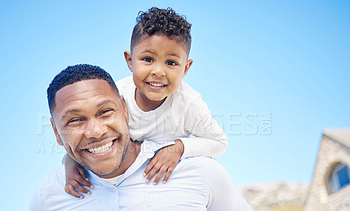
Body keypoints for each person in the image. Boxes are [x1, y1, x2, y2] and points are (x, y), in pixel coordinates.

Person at [15, 64, 282, 211]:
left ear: (124, 108)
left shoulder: (195, 171)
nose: (95, 131)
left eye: (105, 112)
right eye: (74, 121)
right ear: (55, 130)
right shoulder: (52, 192)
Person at [64, 7, 228, 198]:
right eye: (148, 59)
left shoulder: (189, 103)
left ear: (186, 68)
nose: (158, 71)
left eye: (171, 63)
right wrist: (70, 163)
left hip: (162, 184)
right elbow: (91, 135)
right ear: (130, 60)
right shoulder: (116, 96)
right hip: (121, 180)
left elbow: (219, 142)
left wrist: (179, 148)